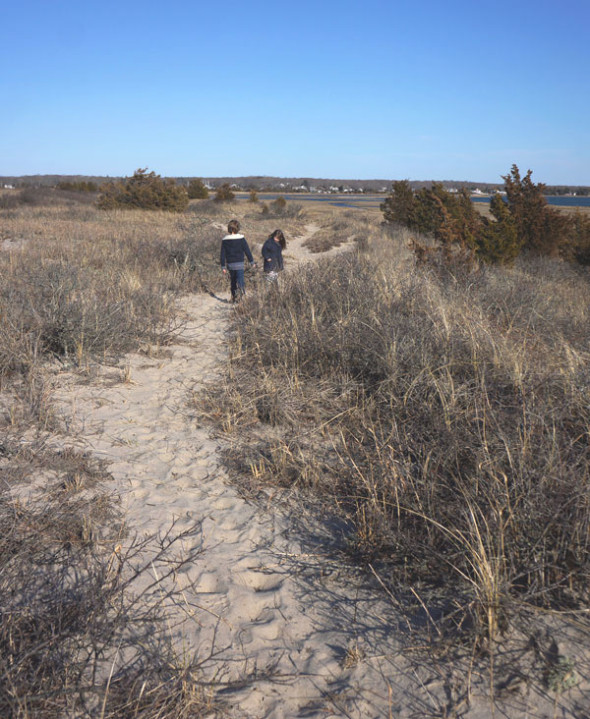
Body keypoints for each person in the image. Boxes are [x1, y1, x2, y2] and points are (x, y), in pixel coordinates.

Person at [220, 219, 256, 302]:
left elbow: (222, 254)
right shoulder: (241, 238)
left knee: (233, 281)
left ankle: (234, 297)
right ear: (238, 228)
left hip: (230, 264)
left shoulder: (225, 240)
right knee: (240, 281)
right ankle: (241, 298)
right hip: (239, 264)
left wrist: (223, 266)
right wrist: (252, 262)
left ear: (229, 228)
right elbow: (247, 250)